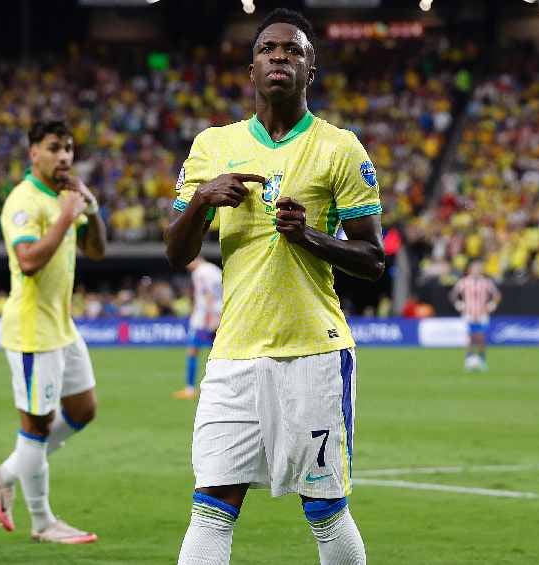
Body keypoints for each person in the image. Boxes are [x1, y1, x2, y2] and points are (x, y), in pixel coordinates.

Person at [164, 9, 385, 565]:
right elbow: (176, 252)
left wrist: (310, 236)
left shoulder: (340, 148)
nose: (279, 56)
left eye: (293, 50)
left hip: (313, 352)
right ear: (252, 69)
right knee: (211, 504)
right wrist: (202, 199)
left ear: (311, 69)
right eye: (268, 49)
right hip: (233, 355)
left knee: (324, 509)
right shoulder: (213, 145)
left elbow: (373, 259)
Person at [0, 120, 106, 545]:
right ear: (34, 152)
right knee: (36, 427)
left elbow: (97, 250)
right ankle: (42, 521)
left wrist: (89, 207)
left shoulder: (64, 196)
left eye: (68, 148)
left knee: (83, 409)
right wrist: (67, 216)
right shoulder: (24, 200)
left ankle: (5, 474)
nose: (64, 156)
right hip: (32, 330)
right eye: (54, 147)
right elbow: (29, 260)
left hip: (62, 327)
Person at [175, 257, 222, 400]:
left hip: (204, 318)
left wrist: (210, 316)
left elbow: (207, 293)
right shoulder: (215, 269)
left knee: (192, 351)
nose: (187, 267)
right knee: (219, 353)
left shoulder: (200, 273)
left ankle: (190, 389)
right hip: (221, 313)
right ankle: (220, 388)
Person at [450, 260, 500, 372]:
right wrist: (458, 304)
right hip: (468, 314)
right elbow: (453, 294)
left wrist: (492, 305)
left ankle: (482, 360)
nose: (477, 270)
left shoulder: (486, 282)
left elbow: (497, 295)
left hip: (482, 314)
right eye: (475, 268)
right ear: (470, 270)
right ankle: (468, 360)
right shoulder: (463, 282)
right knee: (470, 338)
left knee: (480, 338)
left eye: (479, 268)